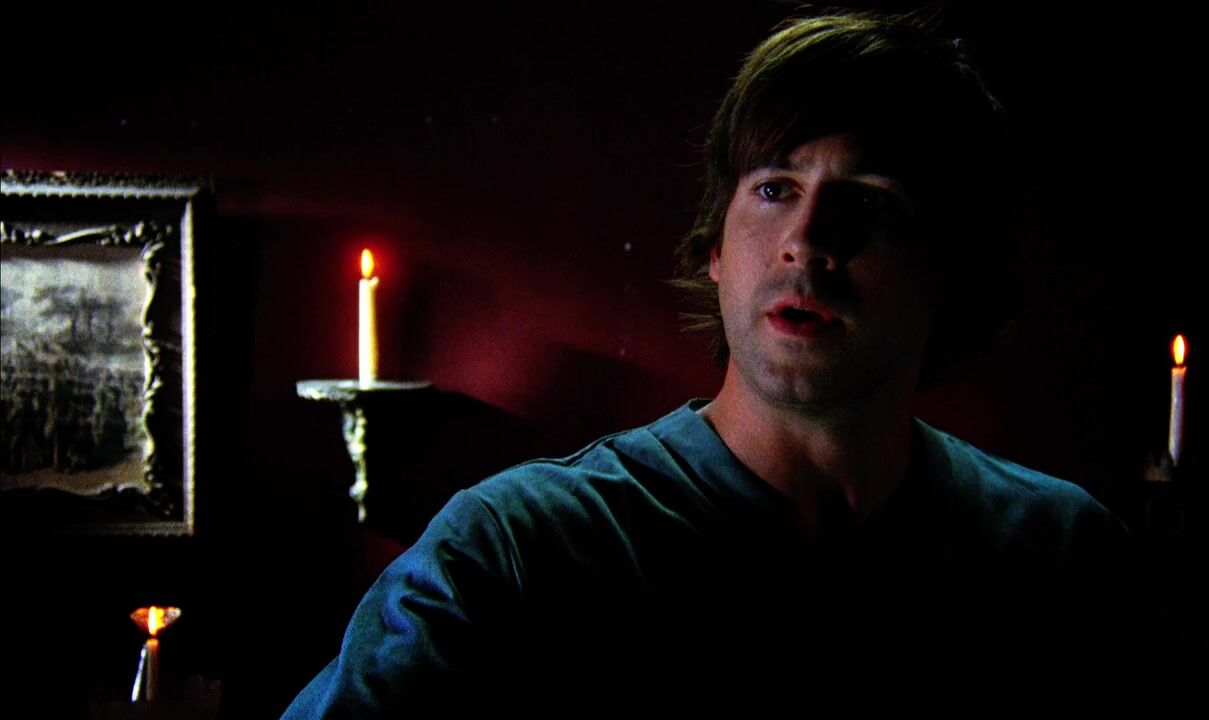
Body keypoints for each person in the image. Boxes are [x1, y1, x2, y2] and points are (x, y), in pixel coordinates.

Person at [285, 11, 1146, 716]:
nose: (806, 241)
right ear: (715, 249)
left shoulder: (1057, 556)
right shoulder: (519, 549)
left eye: (868, 202)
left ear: (951, 272)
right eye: (774, 189)